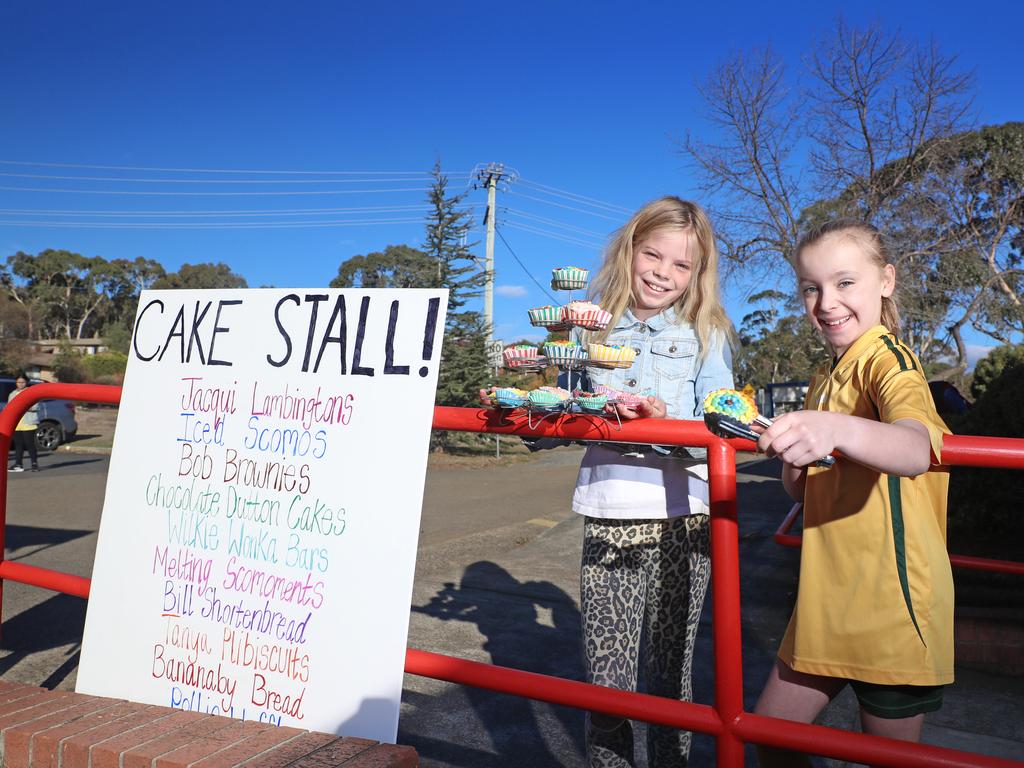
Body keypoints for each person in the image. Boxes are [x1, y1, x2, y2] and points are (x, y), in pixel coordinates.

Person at [485, 196, 735, 767]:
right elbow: (554, 418)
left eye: (681, 266)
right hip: (611, 513)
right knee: (607, 682)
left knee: (671, 674)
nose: (663, 274)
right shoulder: (583, 324)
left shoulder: (706, 330)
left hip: (684, 517)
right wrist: (524, 400)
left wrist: (661, 424)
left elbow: (723, 421)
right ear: (629, 250)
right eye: (653, 255)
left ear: (697, 274)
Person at [752, 219, 953, 766]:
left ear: (885, 280)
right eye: (811, 287)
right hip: (824, 600)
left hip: (891, 608)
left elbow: (914, 449)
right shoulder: (824, 376)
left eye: (845, 282)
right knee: (769, 740)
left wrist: (835, 430)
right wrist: (793, 459)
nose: (826, 301)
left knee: (886, 760)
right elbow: (804, 489)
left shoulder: (891, 360)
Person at [8, 373, 40, 472]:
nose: (21, 384)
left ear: (26, 382)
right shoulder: (12, 394)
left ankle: (34, 464)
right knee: (18, 444)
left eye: (23, 382)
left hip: (28, 422)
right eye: (19, 382)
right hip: (17, 423)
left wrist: (23, 407)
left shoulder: (31, 392)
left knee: (29, 444)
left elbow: (36, 407)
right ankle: (18, 464)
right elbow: (9, 407)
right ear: (16, 383)